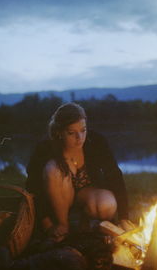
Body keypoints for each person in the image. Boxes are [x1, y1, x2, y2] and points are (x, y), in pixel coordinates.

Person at [26, 103, 128, 242]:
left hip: (85, 195)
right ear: (59, 132)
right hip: (58, 199)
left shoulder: (96, 141)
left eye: (83, 130)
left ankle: (85, 222)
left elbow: (115, 175)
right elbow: (32, 187)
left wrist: (123, 218)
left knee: (106, 204)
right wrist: (47, 224)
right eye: (71, 133)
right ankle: (63, 225)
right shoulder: (44, 149)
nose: (79, 137)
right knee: (53, 169)